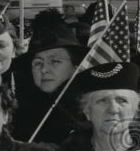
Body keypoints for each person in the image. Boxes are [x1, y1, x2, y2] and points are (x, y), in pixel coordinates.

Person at [12, 10, 86, 144]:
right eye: (38, 62)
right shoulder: (17, 111)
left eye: (55, 61)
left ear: (75, 67)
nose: (44, 69)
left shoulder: (87, 111)